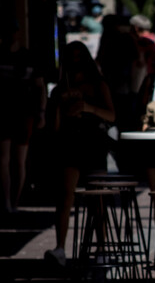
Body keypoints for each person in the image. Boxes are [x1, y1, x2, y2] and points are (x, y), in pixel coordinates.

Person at [44, 41, 115, 267]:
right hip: (69, 143)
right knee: (65, 196)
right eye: (71, 58)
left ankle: (102, 247)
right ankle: (60, 247)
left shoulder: (98, 85)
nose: (76, 64)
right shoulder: (59, 89)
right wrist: (60, 105)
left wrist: (87, 107)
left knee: (98, 200)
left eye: (79, 58)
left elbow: (111, 116)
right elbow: (53, 128)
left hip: (94, 142)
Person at [0, 20, 47, 215]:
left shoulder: (28, 57)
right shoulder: (2, 55)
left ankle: (14, 202)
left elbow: (40, 87)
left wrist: (41, 112)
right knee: (3, 159)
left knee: (18, 161)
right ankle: (7, 202)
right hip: (4, 113)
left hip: (24, 113)